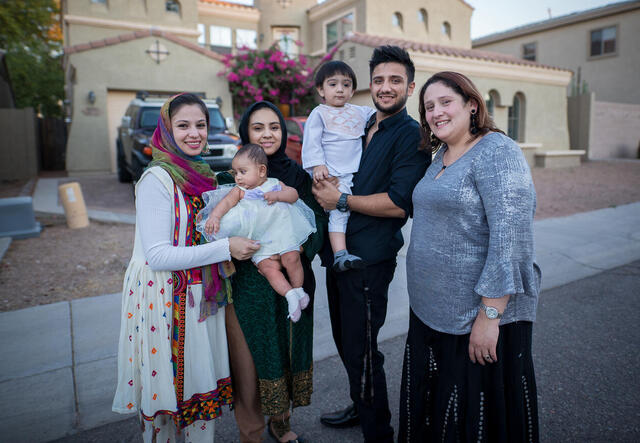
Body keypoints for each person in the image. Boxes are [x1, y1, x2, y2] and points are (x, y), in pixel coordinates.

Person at [399, 71, 541, 442]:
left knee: (472, 421)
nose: (436, 112)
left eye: (446, 102)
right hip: (430, 313)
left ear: (472, 105)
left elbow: (511, 241)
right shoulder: (440, 156)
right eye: (429, 106)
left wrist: (489, 316)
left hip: (474, 317)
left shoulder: (497, 151)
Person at [112, 93, 260, 443]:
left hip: (200, 297)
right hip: (163, 300)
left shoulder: (203, 175)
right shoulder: (157, 180)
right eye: (183, 125)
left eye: (200, 125)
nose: (194, 133)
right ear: (166, 129)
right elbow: (158, 256)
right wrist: (226, 248)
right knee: (164, 405)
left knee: (199, 398)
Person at [313, 46, 430, 442]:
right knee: (347, 340)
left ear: (409, 87)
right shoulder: (363, 124)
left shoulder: (412, 136)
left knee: (363, 347)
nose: (385, 87)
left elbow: (399, 204)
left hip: (369, 259)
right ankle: (361, 405)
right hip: (338, 251)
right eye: (379, 80)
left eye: (395, 80)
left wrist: (340, 200)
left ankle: (379, 431)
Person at [218, 101, 328, 443]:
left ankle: (281, 422)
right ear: (245, 134)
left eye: (274, 127)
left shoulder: (296, 176)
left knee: (286, 351)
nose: (268, 134)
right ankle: (250, 432)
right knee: (249, 360)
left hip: (292, 276)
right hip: (248, 283)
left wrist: (293, 252)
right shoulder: (232, 176)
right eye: (258, 128)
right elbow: (219, 226)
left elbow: (318, 223)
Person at [198, 144, 315, 322]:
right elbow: (225, 204)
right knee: (268, 269)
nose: (238, 177)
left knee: (291, 259)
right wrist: (214, 216)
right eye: (235, 173)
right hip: (260, 241)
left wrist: (278, 196)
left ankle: (298, 289)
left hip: (282, 235)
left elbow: (293, 195)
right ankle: (289, 294)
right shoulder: (240, 191)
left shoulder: (275, 184)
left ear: (261, 170)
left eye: (243, 172)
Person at [302, 60, 375, 271]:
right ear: (321, 89)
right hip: (332, 173)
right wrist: (317, 165)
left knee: (352, 211)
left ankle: (343, 251)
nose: (340, 89)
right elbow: (312, 142)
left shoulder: (359, 111)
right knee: (339, 212)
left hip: (355, 172)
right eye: (333, 84)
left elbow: (379, 116)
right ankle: (340, 254)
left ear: (353, 90)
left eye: (346, 84)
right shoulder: (319, 113)